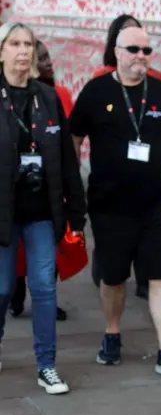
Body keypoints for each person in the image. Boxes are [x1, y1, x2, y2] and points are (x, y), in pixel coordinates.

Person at [69, 24, 161, 380]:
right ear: (117, 52)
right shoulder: (95, 92)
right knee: (113, 278)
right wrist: (72, 191)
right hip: (109, 204)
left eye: (146, 50)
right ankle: (112, 333)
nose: (141, 56)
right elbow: (74, 141)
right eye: (134, 50)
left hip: (156, 202)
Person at [0, 22, 86, 394]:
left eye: (28, 44)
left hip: (41, 212)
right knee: (2, 288)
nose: (22, 51)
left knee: (44, 288)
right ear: (2, 50)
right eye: (14, 44)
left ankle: (46, 365)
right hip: (3, 213)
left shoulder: (47, 97)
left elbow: (67, 159)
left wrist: (76, 213)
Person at [91, 14, 161, 299]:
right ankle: (108, 273)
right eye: (128, 38)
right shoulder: (101, 80)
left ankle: (147, 279)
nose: (138, 52)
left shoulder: (157, 81)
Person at [9, 38, 75, 321]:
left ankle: (46, 298)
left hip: (50, 187)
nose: (46, 62)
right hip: (13, 190)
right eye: (41, 57)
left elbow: (68, 143)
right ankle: (15, 290)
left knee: (47, 250)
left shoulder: (57, 95)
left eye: (47, 57)